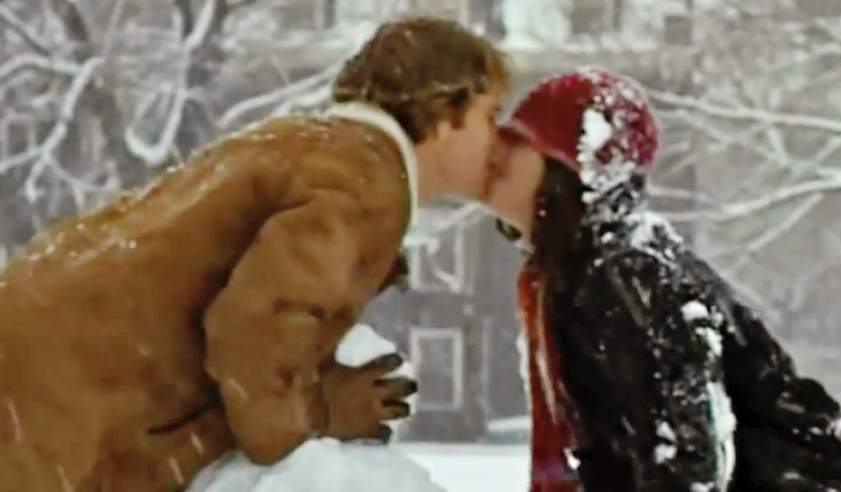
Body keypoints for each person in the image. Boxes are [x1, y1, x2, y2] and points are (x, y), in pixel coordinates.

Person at [0, 16, 509, 492]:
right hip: (60, 405)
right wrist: (321, 410)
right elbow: (252, 336)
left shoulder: (303, 145)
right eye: (491, 115)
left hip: (35, 354)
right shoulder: (365, 181)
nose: (499, 139)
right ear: (443, 112)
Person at [485, 67, 841, 492]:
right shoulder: (577, 274)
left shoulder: (624, 272)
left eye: (521, 139)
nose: (499, 151)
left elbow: (689, 458)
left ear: (571, 162)